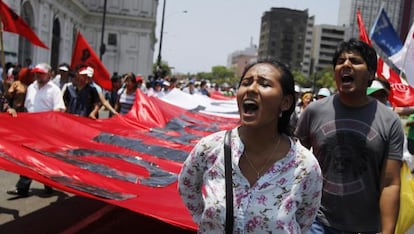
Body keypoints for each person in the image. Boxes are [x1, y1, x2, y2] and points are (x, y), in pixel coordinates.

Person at [178, 59, 323, 233]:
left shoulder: (306, 165)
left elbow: (305, 220)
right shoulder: (209, 148)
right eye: (246, 83)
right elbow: (187, 187)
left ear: (285, 102)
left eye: (264, 84)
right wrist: (210, 222)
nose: (251, 89)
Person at [295, 38, 404, 233]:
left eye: (354, 61)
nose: (346, 65)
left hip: (366, 228)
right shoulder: (313, 112)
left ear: (370, 73)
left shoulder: (390, 121)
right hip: (316, 223)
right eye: (340, 61)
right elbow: (293, 164)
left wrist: (387, 232)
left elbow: (390, 183)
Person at [7, 63, 66, 197]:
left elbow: (59, 109)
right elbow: (28, 107)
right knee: (27, 157)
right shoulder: (31, 88)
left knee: (46, 159)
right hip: (30, 129)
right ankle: (22, 187)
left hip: (47, 131)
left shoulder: (54, 90)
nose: (38, 75)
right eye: (36, 73)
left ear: (49, 74)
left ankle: (49, 183)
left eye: (41, 73)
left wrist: (47, 119)